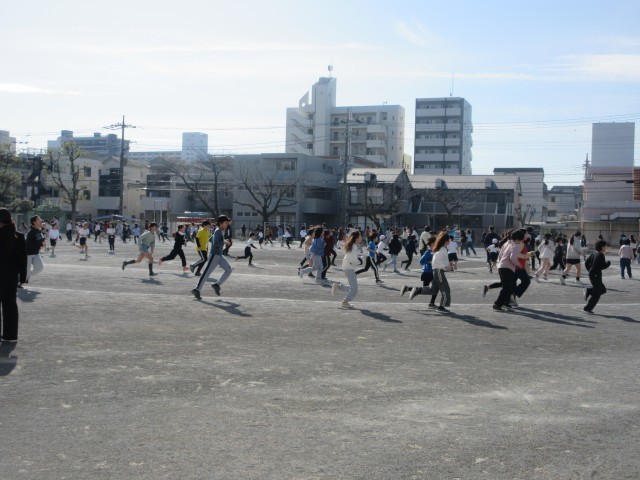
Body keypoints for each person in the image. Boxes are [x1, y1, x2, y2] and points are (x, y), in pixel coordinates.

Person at [0, 209, 28, 342]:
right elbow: (23, 259)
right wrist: (22, 277)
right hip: (11, 276)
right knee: (10, 305)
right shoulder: (19, 236)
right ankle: (10, 335)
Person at [191, 215, 233, 299]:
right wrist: (225, 242)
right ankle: (196, 290)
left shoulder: (220, 231)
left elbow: (211, 239)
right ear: (220, 223)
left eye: (227, 223)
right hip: (214, 255)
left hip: (219, 255)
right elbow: (216, 243)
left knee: (228, 270)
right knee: (206, 273)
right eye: (225, 223)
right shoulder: (218, 231)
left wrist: (222, 241)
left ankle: (217, 285)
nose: (227, 224)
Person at [492, 229, 526, 312]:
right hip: (507, 268)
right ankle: (497, 304)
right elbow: (513, 258)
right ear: (518, 239)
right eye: (521, 240)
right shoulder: (515, 246)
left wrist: (500, 262)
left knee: (507, 287)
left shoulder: (507, 243)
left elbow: (501, 254)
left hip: (501, 266)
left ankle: (504, 303)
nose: (521, 242)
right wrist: (518, 264)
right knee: (507, 288)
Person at [401, 236, 438, 308]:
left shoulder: (434, 251)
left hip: (430, 272)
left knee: (429, 289)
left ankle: (408, 288)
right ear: (432, 244)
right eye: (436, 242)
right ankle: (431, 303)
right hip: (428, 272)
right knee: (432, 289)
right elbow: (421, 261)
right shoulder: (428, 252)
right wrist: (429, 262)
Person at [331, 230, 363, 308]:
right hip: (349, 268)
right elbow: (352, 259)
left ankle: (338, 286)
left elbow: (352, 258)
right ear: (356, 238)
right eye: (360, 236)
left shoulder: (354, 246)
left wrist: (359, 259)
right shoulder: (353, 247)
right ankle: (345, 302)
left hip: (348, 267)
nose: (361, 238)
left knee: (353, 288)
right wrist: (360, 261)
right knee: (354, 289)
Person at [583, 240, 611, 313]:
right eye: (605, 246)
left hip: (593, 275)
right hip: (596, 276)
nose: (606, 248)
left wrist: (590, 271)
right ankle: (587, 308)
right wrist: (608, 263)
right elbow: (602, 266)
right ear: (602, 247)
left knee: (603, 290)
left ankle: (589, 290)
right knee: (597, 294)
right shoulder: (601, 255)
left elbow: (586, 263)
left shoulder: (594, 253)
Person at [429, 232, 452, 312]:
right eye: (449, 240)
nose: (449, 241)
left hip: (437, 271)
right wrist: (445, 267)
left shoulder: (442, 249)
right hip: (438, 271)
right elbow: (436, 261)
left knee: (433, 290)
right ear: (446, 241)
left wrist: (448, 266)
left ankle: (417, 290)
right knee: (445, 289)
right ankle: (441, 307)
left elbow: (441, 262)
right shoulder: (442, 250)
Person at [25, 215, 46, 283]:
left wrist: (42, 244)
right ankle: (21, 280)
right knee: (27, 270)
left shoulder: (38, 231)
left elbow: (41, 241)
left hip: (35, 253)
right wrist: (40, 245)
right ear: (34, 222)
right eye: (38, 219)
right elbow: (28, 243)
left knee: (39, 268)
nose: (41, 220)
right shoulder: (31, 232)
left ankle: (24, 275)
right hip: (28, 254)